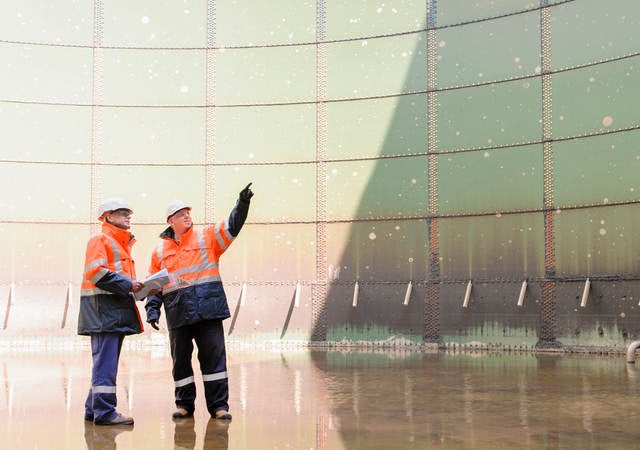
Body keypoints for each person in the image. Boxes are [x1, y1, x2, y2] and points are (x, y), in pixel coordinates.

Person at [145, 183, 254, 420]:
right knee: (180, 363)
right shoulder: (160, 250)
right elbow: (154, 285)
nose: (187, 217)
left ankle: (219, 407)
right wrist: (152, 310)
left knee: (214, 360)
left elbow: (232, 226)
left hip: (208, 309)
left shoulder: (208, 236)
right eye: (181, 215)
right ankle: (184, 405)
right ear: (170, 221)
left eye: (188, 213)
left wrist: (242, 203)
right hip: (178, 312)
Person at [78, 198, 146, 426]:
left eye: (129, 212)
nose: (128, 215)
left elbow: (115, 279)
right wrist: (129, 284)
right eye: (122, 212)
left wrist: (137, 287)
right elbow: (95, 272)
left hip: (110, 311)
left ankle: (93, 408)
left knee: (105, 363)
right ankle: (105, 413)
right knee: (105, 364)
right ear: (107, 216)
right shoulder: (101, 240)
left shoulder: (121, 244)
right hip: (103, 312)